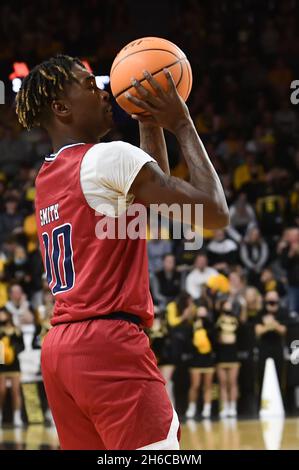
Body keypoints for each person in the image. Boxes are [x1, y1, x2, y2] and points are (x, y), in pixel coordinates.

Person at [16, 55, 229, 450]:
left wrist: (148, 123)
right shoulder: (108, 156)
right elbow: (214, 213)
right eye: (87, 84)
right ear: (61, 108)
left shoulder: (48, 175)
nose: (103, 89)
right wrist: (181, 124)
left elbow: (151, 202)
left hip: (63, 350)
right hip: (109, 347)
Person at [185, 305, 215, 420]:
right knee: (195, 385)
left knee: (208, 386)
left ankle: (207, 408)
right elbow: (188, 341)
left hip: (208, 359)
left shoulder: (210, 326)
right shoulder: (192, 325)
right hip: (196, 360)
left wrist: (206, 328)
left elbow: (214, 339)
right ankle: (191, 407)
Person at [215, 299, 240, 418]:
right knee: (223, 383)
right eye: (225, 306)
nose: (227, 309)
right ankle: (225, 406)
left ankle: (233, 406)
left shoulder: (235, 321)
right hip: (221, 354)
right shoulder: (218, 320)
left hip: (233, 354)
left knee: (232, 382)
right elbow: (215, 334)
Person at [0, 307, 24, 427]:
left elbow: (22, 346)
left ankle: (17, 416)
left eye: (3, 314)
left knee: (16, 391)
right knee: (1, 390)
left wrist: (14, 350)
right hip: (2, 365)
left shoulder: (16, 330)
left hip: (14, 364)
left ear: (8, 315)